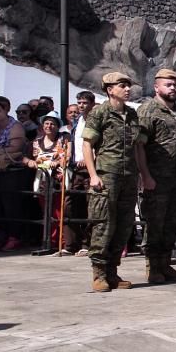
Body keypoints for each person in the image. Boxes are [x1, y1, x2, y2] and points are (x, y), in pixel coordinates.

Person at [82, 72, 140, 292]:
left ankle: (113, 272)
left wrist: (141, 173)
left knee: (124, 224)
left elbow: (137, 147)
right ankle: (99, 273)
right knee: (103, 223)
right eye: (122, 85)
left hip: (129, 176)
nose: (127, 89)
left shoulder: (132, 115)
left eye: (128, 86)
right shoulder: (99, 113)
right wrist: (93, 174)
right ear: (109, 89)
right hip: (107, 174)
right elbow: (88, 144)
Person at [136, 69, 176, 284]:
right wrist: (145, 175)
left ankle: (165, 263)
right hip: (156, 178)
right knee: (155, 223)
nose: (173, 88)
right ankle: (153, 267)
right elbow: (139, 146)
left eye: (175, 85)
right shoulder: (147, 111)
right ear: (156, 87)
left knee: (174, 222)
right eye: (168, 85)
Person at [26, 111, 69, 252]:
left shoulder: (63, 140)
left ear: (57, 126)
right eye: (46, 123)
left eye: (52, 124)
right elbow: (30, 158)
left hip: (57, 179)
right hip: (42, 180)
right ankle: (49, 240)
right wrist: (31, 162)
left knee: (59, 211)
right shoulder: (36, 142)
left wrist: (56, 162)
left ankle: (60, 242)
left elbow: (66, 156)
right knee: (46, 211)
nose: (49, 126)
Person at [0, 98, 29, 251]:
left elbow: (16, 147)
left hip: (11, 172)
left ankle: (15, 236)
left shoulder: (16, 126)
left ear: (5, 111)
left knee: (10, 204)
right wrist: (1, 150)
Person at [65, 91, 97, 256]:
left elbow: (98, 143)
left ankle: (87, 243)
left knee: (89, 206)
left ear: (92, 103)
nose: (81, 106)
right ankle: (71, 243)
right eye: (79, 102)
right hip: (76, 167)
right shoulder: (78, 121)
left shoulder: (96, 119)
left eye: (84, 102)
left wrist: (90, 158)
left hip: (90, 167)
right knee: (70, 205)